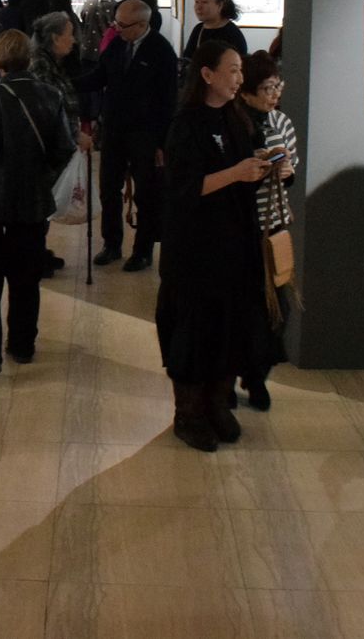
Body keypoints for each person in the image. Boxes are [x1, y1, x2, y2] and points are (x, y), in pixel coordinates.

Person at [158, 40, 273, 452]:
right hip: (194, 246)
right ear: (207, 75)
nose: (239, 78)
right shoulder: (185, 124)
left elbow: (242, 176)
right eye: (232, 70)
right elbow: (183, 188)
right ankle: (188, 414)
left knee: (231, 323)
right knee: (194, 328)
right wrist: (236, 172)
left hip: (234, 241)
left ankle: (217, 404)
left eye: (241, 70)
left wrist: (266, 167)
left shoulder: (236, 118)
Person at [0, 29, 76, 381]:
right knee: (26, 277)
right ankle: (23, 344)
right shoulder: (51, 95)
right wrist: (41, 173)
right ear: (28, 58)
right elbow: (64, 147)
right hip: (31, 201)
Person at [78, 0, 177, 272]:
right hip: (114, 130)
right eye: (116, 23)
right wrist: (67, 83)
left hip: (145, 134)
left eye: (123, 25)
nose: (117, 28)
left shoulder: (161, 51)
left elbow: (168, 101)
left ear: (143, 24)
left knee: (145, 193)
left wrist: (162, 142)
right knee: (109, 188)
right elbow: (99, 76)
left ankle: (142, 251)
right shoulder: (117, 44)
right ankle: (111, 244)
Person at [234, 51, 299, 411]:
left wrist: (286, 172)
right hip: (239, 228)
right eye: (266, 88)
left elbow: (292, 169)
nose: (274, 95)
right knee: (240, 307)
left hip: (273, 225)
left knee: (277, 308)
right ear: (246, 91)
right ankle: (232, 375)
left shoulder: (281, 122)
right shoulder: (233, 121)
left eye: (277, 86)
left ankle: (257, 373)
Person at [29, 11, 93, 275]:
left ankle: (37, 252)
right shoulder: (41, 66)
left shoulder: (51, 62)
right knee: (40, 203)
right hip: (44, 147)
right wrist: (75, 134)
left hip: (53, 145)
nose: (74, 40)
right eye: (69, 34)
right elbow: (48, 109)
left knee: (44, 202)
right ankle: (33, 257)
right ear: (55, 38)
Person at [181, 0, 249, 70]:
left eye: (204, 2)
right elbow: (187, 60)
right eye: (196, 2)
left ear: (220, 5)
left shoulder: (233, 34)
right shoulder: (198, 29)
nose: (198, 7)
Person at [80, 0, 118, 65]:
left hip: (87, 50)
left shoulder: (89, 0)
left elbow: (83, 17)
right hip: (106, 53)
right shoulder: (115, 6)